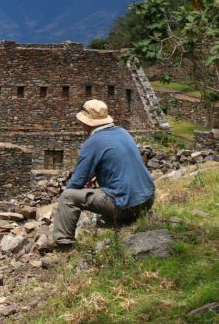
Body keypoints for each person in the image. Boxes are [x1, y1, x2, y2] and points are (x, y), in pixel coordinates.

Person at [53, 99, 155, 249]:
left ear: (87, 123)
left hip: (126, 206)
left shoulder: (93, 142)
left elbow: (76, 183)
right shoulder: (123, 132)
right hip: (147, 200)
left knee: (67, 197)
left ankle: (63, 244)